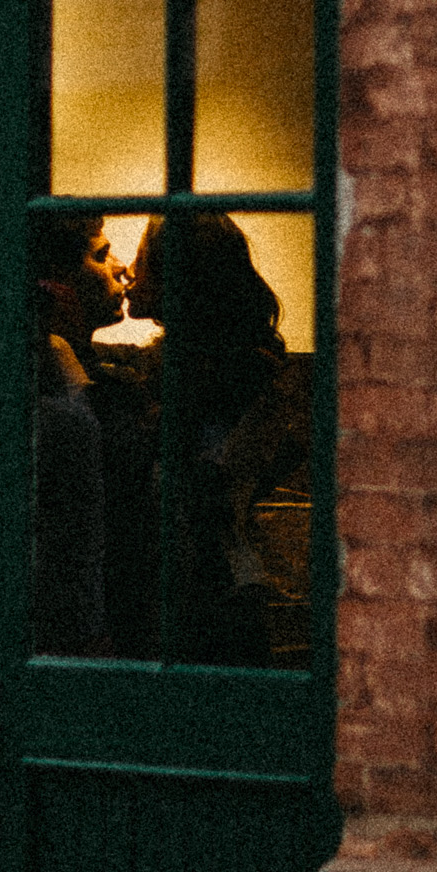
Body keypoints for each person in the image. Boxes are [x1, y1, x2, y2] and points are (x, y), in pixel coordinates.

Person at [125, 212, 293, 666]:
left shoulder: (221, 379)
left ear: (181, 278)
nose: (128, 270)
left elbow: (201, 498)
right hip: (211, 588)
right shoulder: (219, 370)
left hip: (207, 598)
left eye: (141, 260)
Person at [31, 215, 128, 655]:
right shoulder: (47, 379)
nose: (122, 267)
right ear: (54, 284)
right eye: (102, 255)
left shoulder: (83, 372)